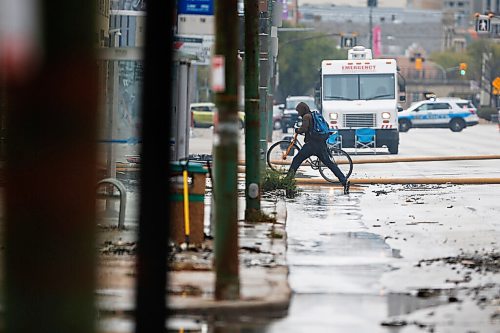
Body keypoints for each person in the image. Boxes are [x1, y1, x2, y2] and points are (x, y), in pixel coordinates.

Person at [286, 102, 350, 194]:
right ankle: (344, 181)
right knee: (330, 164)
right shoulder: (314, 115)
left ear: (302, 109)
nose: (298, 113)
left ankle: (287, 182)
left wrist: (297, 130)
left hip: (311, 145)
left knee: (296, 160)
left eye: (299, 111)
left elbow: (304, 129)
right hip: (321, 144)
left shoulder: (306, 117)